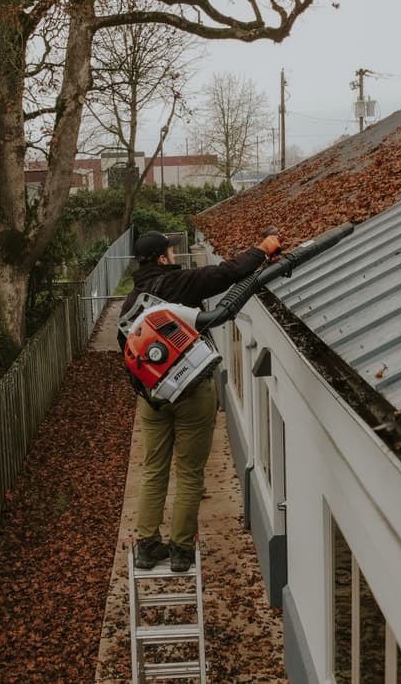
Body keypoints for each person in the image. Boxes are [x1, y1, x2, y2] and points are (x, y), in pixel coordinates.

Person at [120, 229, 282, 571]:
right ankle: (180, 550)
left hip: (152, 398)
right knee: (190, 472)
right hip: (193, 391)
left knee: (153, 470)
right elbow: (227, 273)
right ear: (162, 259)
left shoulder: (131, 302)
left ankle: (147, 545)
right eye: (170, 252)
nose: (174, 256)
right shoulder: (180, 285)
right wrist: (263, 249)